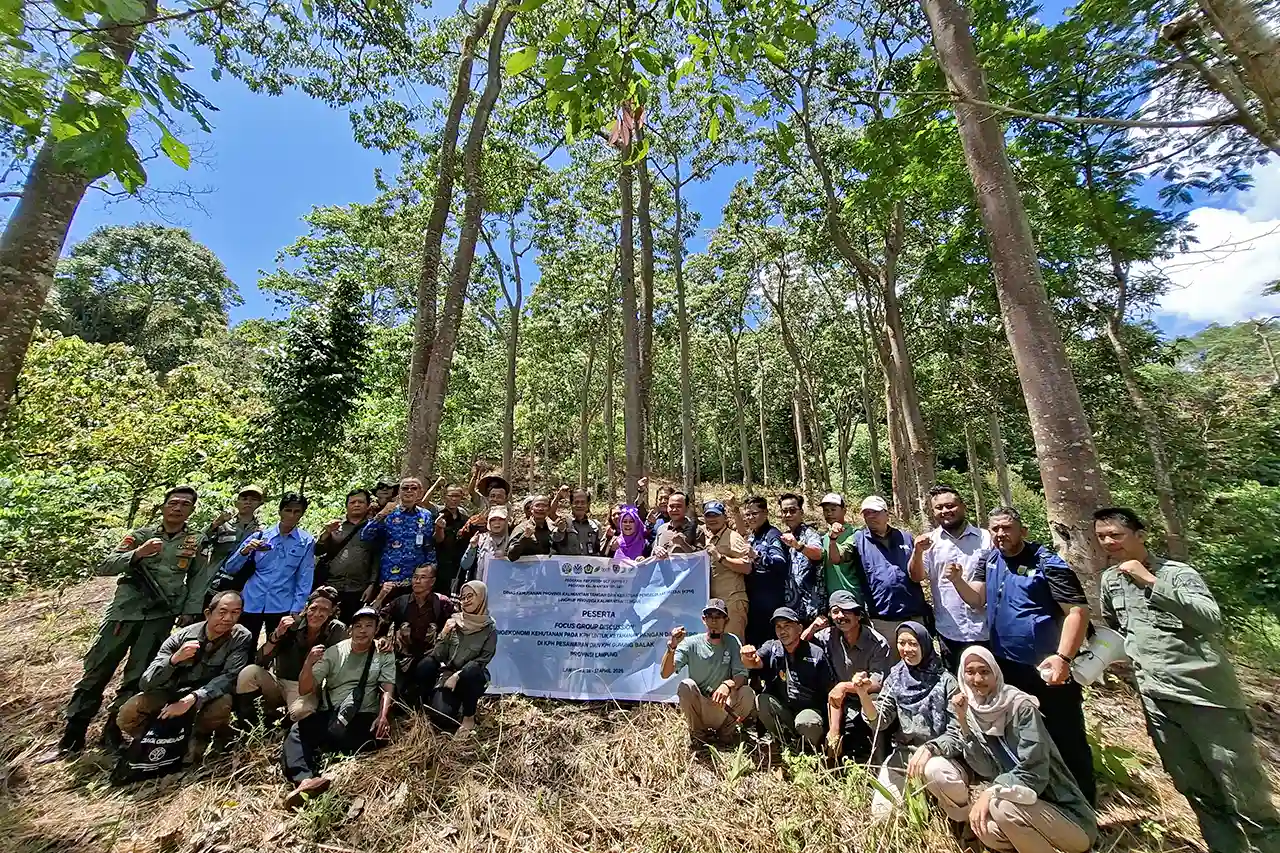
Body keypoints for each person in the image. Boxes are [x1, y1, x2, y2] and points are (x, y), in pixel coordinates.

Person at [1095, 507, 1280, 852]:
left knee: (1246, 795)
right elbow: (1118, 629)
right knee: (1198, 792)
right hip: (1156, 701)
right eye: (1102, 537)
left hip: (1206, 699)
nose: (1108, 542)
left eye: (1116, 535)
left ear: (1140, 535)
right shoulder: (1110, 580)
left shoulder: (1177, 574)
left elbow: (1210, 619)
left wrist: (1150, 581)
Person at [947, 507, 1095, 804]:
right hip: (1006, 666)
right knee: (1020, 732)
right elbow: (977, 599)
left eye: (1007, 528)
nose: (1001, 534)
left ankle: (1082, 804)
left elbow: (1077, 611)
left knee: (1065, 733)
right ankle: (1039, 793)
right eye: (995, 529)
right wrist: (956, 580)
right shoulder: (989, 559)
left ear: (1022, 530)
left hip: (1046, 667)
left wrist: (1063, 658)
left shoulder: (1047, 562)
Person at [58, 485, 203, 755]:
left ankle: (112, 730)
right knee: (97, 670)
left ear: (191, 510)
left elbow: (197, 579)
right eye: (173, 502)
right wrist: (138, 554)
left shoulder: (194, 542)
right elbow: (105, 565)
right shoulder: (141, 535)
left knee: (138, 677)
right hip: (124, 613)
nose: (178, 507)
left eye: (185, 504)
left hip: (160, 616)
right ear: (163, 506)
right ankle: (72, 735)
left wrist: (189, 611)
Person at [921, 646, 1097, 853]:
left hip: (1068, 818)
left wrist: (991, 793)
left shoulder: (1020, 707)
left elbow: (1035, 770)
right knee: (985, 828)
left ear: (996, 673)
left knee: (1001, 807)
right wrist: (963, 721)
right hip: (1027, 813)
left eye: (984, 672)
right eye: (970, 672)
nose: (977, 679)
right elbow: (985, 768)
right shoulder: (974, 713)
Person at [116, 591, 254, 764]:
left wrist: (192, 698)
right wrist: (174, 660)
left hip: (205, 696)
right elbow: (146, 682)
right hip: (171, 692)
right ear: (207, 613)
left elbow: (229, 676)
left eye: (235, 612)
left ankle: (197, 739)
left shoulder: (240, 637)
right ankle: (157, 739)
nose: (228, 618)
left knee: (223, 703)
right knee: (128, 714)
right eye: (222, 611)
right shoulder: (181, 638)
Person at [282, 606, 395, 808]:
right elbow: (305, 688)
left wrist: (383, 715)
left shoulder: (383, 652)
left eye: (369, 626)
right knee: (297, 732)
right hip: (334, 716)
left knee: (375, 740)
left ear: (377, 629)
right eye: (358, 626)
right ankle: (304, 781)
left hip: (363, 715)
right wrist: (308, 664)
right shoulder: (335, 652)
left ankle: (331, 772)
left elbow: (387, 686)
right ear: (350, 629)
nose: (363, 631)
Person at [857, 621, 960, 820]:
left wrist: (931, 748)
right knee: (882, 816)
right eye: (901, 643)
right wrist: (863, 695)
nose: (907, 649)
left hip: (940, 756)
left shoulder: (946, 681)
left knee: (935, 776)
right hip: (904, 756)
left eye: (913, 643)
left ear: (925, 644)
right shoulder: (895, 676)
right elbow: (880, 721)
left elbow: (957, 733)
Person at [236, 586, 347, 725]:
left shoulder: (336, 629)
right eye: (313, 608)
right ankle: (246, 724)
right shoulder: (291, 623)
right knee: (248, 673)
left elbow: (338, 665)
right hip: (278, 680)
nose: (317, 614)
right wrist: (276, 635)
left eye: (324, 610)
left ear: (332, 611)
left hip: (305, 686)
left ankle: (285, 724)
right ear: (306, 607)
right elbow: (260, 659)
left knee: (302, 712)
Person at [909, 486, 992, 672]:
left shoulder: (986, 539)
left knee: (991, 686)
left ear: (963, 506)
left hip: (987, 628)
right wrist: (917, 552)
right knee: (957, 687)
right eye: (939, 508)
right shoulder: (929, 542)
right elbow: (917, 577)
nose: (945, 511)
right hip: (949, 630)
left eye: (950, 505)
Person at [225, 492, 316, 645]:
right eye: (288, 510)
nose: (292, 515)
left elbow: (305, 577)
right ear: (280, 511)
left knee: (278, 648)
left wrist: (297, 607)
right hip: (251, 601)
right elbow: (230, 568)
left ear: (302, 514)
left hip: (282, 604)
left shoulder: (306, 541)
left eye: (297, 512)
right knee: (243, 646)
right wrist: (244, 551)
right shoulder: (260, 536)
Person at [661, 599, 755, 747]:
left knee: (747, 692)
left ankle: (725, 735)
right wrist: (671, 647)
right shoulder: (691, 643)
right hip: (701, 708)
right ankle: (698, 735)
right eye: (710, 616)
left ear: (726, 620)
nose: (714, 621)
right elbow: (665, 673)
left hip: (724, 707)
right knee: (686, 685)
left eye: (718, 616)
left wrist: (727, 685)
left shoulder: (732, 641)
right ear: (704, 620)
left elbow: (742, 676)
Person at [812, 590, 890, 761]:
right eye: (835, 611)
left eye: (846, 611)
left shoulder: (877, 642)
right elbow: (798, 646)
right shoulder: (828, 636)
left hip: (866, 697)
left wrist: (846, 686)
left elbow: (878, 683)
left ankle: (879, 759)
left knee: (875, 705)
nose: (841, 616)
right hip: (837, 701)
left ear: (858, 615)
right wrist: (813, 627)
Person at [416, 581, 497, 738]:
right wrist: (444, 634)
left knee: (471, 671)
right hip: (448, 677)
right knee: (441, 717)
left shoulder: (490, 628)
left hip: (471, 677)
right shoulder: (454, 621)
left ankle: (469, 717)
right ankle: (427, 703)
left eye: (470, 596)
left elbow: (483, 660)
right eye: (463, 597)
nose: (465, 601)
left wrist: (458, 675)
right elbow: (438, 655)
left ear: (481, 597)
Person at [741, 607, 829, 751]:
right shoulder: (772, 647)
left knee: (806, 723)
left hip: (809, 710)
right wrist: (746, 657)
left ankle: (808, 750)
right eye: (778, 627)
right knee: (762, 700)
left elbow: (828, 690)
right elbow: (754, 662)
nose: (782, 631)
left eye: (787, 626)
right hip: (784, 709)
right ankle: (785, 744)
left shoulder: (816, 653)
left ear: (800, 628)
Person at [856, 495, 927, 663]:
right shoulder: (858, 540)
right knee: (889, 666)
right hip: (883, 619)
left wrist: (918, 551)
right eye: (866, 513)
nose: (870, 516)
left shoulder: (906, 537)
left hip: (913, 615)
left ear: (887, 514)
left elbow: (917, 576)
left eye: (875, 512)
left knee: (920, 662)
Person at [183, 484, 264, 622]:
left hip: (240, 583)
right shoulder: (223, 524)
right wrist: (214, 525)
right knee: (203, 620)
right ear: (237, 502)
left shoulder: (261, 531)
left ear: (259, 504)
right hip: (213, 579)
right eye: (244, 498)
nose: (248, 502)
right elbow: (198, 541)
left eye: (253, 499)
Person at [379, 564, 455, 704]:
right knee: (398, 701)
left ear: (432, 582)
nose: (417, 581)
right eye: (415, 577)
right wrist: (383, 638)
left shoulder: (442, 603)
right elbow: (379, 621)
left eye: (422, 577)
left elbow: (456, 625)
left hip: (430, 659)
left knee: (428, 669)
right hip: (402, 659)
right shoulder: (401, 602)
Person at [361, 476, 436, 598]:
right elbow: (366, 536)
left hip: (416, 580)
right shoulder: (388, 512)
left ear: (419, 493)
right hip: (390, 579)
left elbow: (428, 545)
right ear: (399, 492)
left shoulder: (426, 515)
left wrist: (431, 571)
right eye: (405, 488)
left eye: (413, 488)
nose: (409, 491)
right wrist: (381, 515)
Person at [315, 489, 378, 623]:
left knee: (351, 626)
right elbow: (318, 550)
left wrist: (372, 584)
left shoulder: (373, 528)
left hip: (358, 588)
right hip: (331, 586)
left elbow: (377, 558)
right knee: (324, 624)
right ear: (346, 506)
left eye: (360, 502)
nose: (356, 505)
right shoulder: (335, 526)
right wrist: (326, 534)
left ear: (367, 506)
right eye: (352, 502)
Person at [739, 495, 790, 647]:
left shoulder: (772, 534)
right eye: (748, 514)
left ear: (766, 513)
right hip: (753, 602)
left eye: (755, 513)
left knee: (771, 646)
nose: (751, 518)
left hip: (770, 601)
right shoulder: (751, 537)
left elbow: (780, 563)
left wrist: (757, 555)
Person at [700, 501, 752, 641]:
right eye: (708, 516)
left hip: (732, 603)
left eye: (716, 515)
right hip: (712, 607)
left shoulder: (733, 537)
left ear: (724, 517)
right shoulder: (705, 538)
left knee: (734, 646)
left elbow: (747, 567)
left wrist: (720, 557)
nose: (712, 519)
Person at [778, 493, 825, 624]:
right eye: (784, 511)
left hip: (811, 607)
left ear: (801, 512)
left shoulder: (810, 534)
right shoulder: (784, 536)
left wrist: (798, 546)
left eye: (792, 510)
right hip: (791, 607)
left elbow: (818, 554)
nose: (788, 515)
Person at [820, 493, 865, 607]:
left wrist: (833, 539)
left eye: (833, 509)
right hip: (831, 598)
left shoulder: (855, 534)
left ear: (844, 510)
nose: (829, 513)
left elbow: (836, 558)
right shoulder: (823, 538)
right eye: (826, 510)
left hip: (852, 596)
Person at [459, 506, 512, 588]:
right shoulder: (480, 539)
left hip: (505, 589)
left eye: (501, 519)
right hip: (481, 589)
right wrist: (472, 547)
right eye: (493, 520)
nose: (497, 523)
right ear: (488, 523)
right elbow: (465, 565)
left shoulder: (512, 540)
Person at [431, 484, 470, 593]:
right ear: (444, 497)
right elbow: (437, 540)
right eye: (451, 495)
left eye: (457, 496)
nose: (454, 499)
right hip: (440, 566)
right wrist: (439, 528)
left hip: (459, 567)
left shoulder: (465, 519)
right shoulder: (436, 516)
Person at [553, 488, 603, 557]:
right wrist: (561, 530)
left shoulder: (596, 526)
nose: (579, 505)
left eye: (583, 502)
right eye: (576, 502)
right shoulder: (564, 523)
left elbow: (599, 551)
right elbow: (555, 541)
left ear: (588, 504)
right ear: (571, 504)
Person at [508, 495, 556, 560]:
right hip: (526, 569)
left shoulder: (552, 529)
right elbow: (511, 555)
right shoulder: (521, 528)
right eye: (537, 505)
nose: (540, 509)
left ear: (549, 509)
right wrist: (525, 537)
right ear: (531, 508)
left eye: (544, 506)